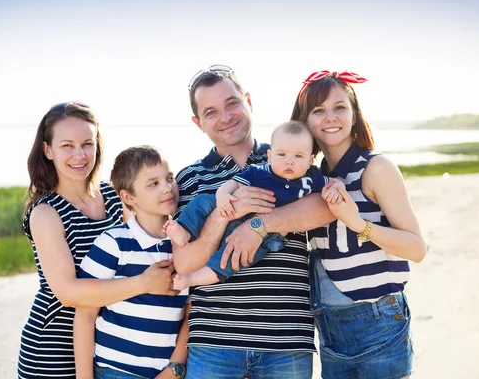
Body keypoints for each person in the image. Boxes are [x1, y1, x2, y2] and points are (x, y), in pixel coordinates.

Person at [172, 66, 336, 379]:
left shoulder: (288, 153)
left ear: (248, 101)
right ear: (198, 122)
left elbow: (326, 208)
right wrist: (226, 215)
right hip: (214, 341)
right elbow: (183, 262)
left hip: (286, 340)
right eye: (211, 111)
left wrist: (257, 226)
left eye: (232, 103)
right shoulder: (188, 178)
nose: (225, 116)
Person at [18, 103, 177, 379]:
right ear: (48, 150)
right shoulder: (45, 212)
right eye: (67, 145)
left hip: (109, 347)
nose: (79, 155)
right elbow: (67, 293)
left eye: (87, 144)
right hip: (54, 349)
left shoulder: (114, 195)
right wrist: (145, 283)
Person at [290, 70, 426, 379]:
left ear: (354, 115)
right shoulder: (311, 178)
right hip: (329, 328)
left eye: (339, 107)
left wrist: (357, 223)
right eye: (318, 110)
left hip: (378, 322)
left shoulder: (376, 168)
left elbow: (417, 249)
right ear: (305, 121)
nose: (330, 117)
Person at [165, 121, 342, 290]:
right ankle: (184, 231)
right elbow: (233, 184)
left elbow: (333, 193)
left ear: (310, 160)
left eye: (298, 156)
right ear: (270, 155)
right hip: (232, 206)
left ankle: (192, 279)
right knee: (202, 201)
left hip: (269, 237)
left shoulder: (310, 179)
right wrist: (223, 197)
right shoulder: (260, 170)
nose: (289, 161)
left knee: (231, 258)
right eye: (282, 155)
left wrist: (336, 188)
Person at [74, 145, 189, 379]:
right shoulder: (114, 242)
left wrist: (174, 370)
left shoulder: (185, 246)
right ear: (128, 197)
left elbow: (190, 309)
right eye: (153, 183)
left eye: (169, 178)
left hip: (165, 373)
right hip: (114, 371)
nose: (168, 188)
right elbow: (85, 314)